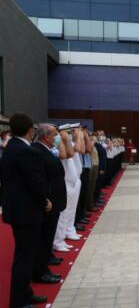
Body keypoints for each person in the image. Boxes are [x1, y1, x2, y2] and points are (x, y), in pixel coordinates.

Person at [1, 113, 51, 308]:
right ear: (30, 130)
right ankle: (19, 300)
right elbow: (35, 181)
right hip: (27, 211)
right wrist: (44, 200)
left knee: (25, 255)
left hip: (17, 209)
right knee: (24, 258)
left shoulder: (11, 147)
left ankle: (25, 292)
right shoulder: (25, 151)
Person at [32, 124, 67, 285]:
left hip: (54, 201)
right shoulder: (37, 152)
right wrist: (46, 198)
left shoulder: (46, 150)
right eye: (55, 135)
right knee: (44, 239)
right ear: (46, 136)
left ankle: (43, 267)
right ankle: (41, 272)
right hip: (48, 203)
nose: (57, 137)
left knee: (47, 238)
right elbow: (40, 179)